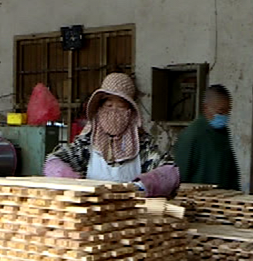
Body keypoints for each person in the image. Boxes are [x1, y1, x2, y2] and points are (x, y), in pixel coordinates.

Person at [43, 73, 180, 197]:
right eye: (109, 106)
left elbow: (170, 170)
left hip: (131, 212)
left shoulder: (143, 145)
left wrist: (143, 186)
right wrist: (72, 180)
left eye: (121, 107)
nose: (114, 112)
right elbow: (54, 161)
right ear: (99, 109)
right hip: (90, 211)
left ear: (131, 113)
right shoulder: (86, 144)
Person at [175, 84, 240, 190]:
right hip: (197, 196)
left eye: (227, 112)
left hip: (222, 196)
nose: (224, 116)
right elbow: (180, 175)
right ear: (206, 108)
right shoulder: (192, 135)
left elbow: (231, 171)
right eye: (220, 112)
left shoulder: (223, 133)